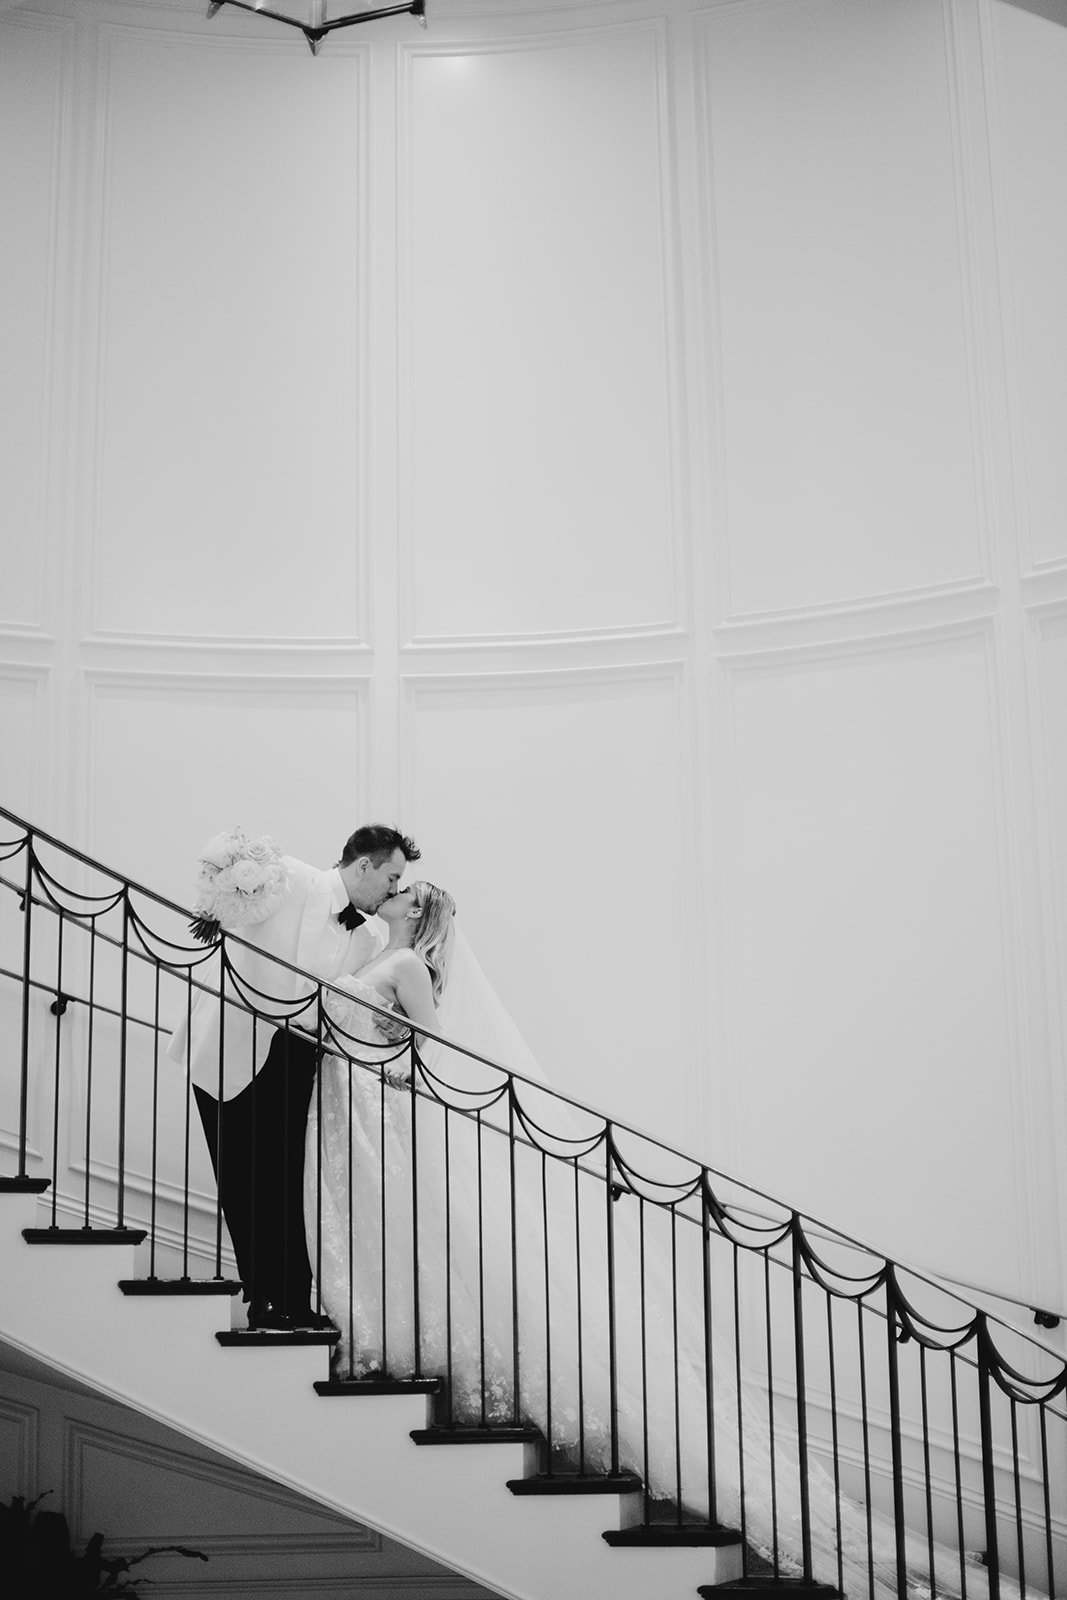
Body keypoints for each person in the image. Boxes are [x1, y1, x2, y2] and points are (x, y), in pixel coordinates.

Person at [304, 888, 1022, 1600]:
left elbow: (431, 1047)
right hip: (359, 1114)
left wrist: (385, 1072)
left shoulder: (405, 964)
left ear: (417, 912)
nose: (391, 893)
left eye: (402, 890)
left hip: (379, 1104)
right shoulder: (374, 951)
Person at [168, 823, 420, 1329]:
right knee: (241, 1181)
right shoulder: (285, 876)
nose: (394, 889)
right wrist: (215, 906)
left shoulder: (370, 936)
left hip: (300, 1057)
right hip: (231, 1044)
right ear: (364, 865)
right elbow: (224, 897)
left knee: (287, 1182)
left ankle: (292, 1301)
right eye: (391, 878)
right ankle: (263, 1298)